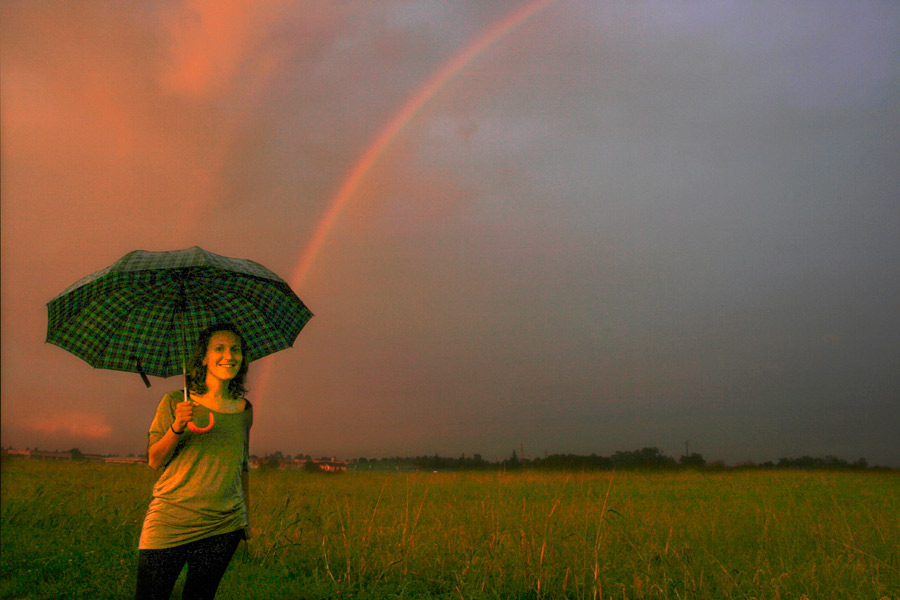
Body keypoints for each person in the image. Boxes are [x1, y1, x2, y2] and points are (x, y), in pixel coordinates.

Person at [135, 323, 253, 600]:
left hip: (224, 525)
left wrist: (246, 518)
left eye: (235, 349)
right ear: (204, 357)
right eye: (219, 349)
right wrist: (177, 425)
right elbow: (154, 460)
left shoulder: (244, 410)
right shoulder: (175, 402)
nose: (229, 356)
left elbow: (242, 466)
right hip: (170, 520)